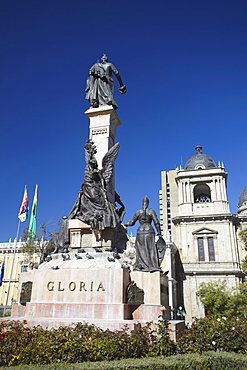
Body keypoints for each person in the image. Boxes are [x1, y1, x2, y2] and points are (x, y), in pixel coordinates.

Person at [124, 196, 162, 272]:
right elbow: (156, 222)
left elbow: (131, 223)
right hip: (149, 230)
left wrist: (125, 224)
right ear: (148, 203)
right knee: (150, 249)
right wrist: (159, 232)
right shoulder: (151, 211)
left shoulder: (138, 212)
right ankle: (152, 265)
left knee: (140, 249)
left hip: (140, 231)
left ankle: (142, 265)